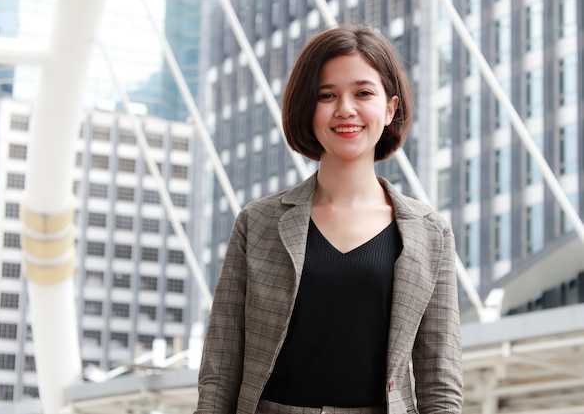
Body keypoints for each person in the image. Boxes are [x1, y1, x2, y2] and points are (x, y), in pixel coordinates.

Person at [195, 24, 463, 414]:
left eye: (363, 93)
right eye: (327, 96)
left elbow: (440, 382)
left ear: (390, 108)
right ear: (309, 109)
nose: (345, 109)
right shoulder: (258, 223)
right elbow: (221, 369)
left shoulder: (429, 233)